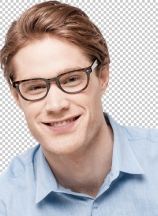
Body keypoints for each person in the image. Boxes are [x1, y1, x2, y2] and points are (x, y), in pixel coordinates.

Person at [0, 1, 158, 215]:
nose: (56, 105)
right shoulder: (7, 202)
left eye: (72, 79)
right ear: (16, 96)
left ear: (102, 76)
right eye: (35, 87)